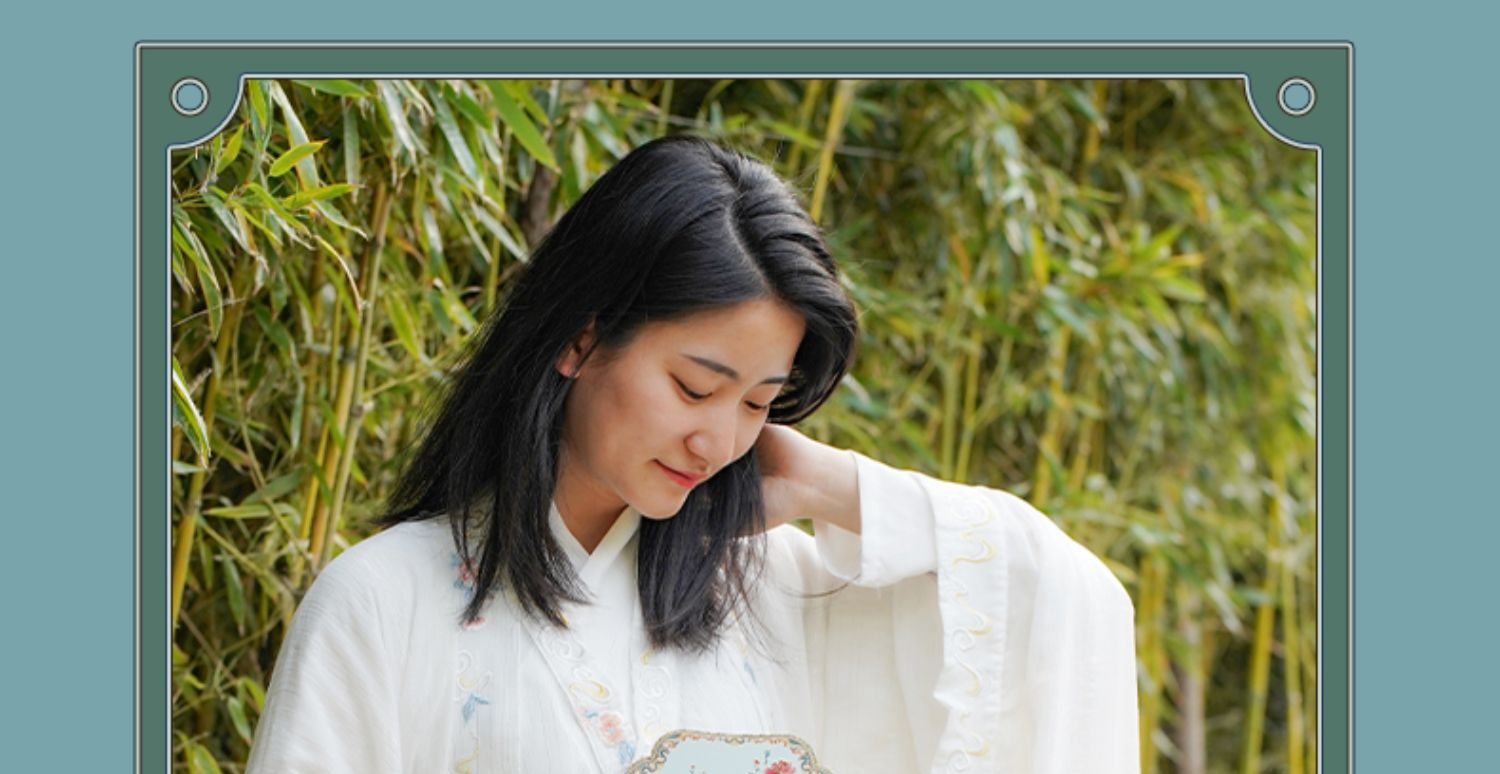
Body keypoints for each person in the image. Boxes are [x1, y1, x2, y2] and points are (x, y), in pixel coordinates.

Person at [244, 136, 1139, 774]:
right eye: (694, 386)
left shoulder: (775, 592)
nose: (719, 442)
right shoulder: (383, 601)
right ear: (581, 338)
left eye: (757, 403)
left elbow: (1059, 598)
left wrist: (828, 484)